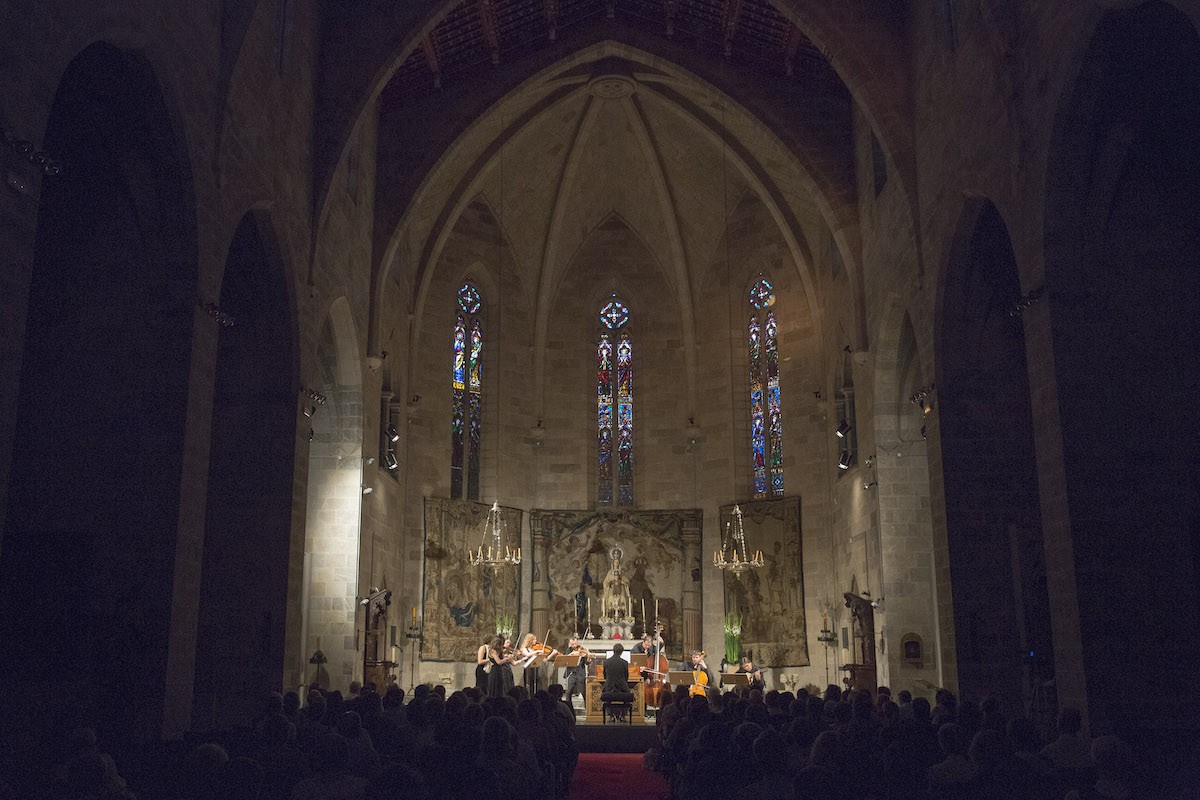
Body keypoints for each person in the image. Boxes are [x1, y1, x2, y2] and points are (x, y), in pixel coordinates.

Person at [601, 642, 635, 720]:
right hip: (622, 688)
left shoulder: (606, 662)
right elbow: (626, 677)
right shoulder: (625, 663)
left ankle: (611, 716)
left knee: (607, 698)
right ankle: (623, 716)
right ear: (621, 652)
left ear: (613, 651)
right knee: (628, 697)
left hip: (609, 688)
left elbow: (605, 676)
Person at [561, 636, 592, 706]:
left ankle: (587, 708)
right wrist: (572, 654)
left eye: (575, 644)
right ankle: (568, 708)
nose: (574, 646)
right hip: (572, 674)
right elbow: (565, 659)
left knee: (583, 693)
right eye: (572, 644)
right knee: (568, 692)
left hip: (580, 674)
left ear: (577, 642)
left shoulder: (582, 650)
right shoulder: (569, 650)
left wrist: (588, 658)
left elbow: (586, 663)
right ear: (570, 644)